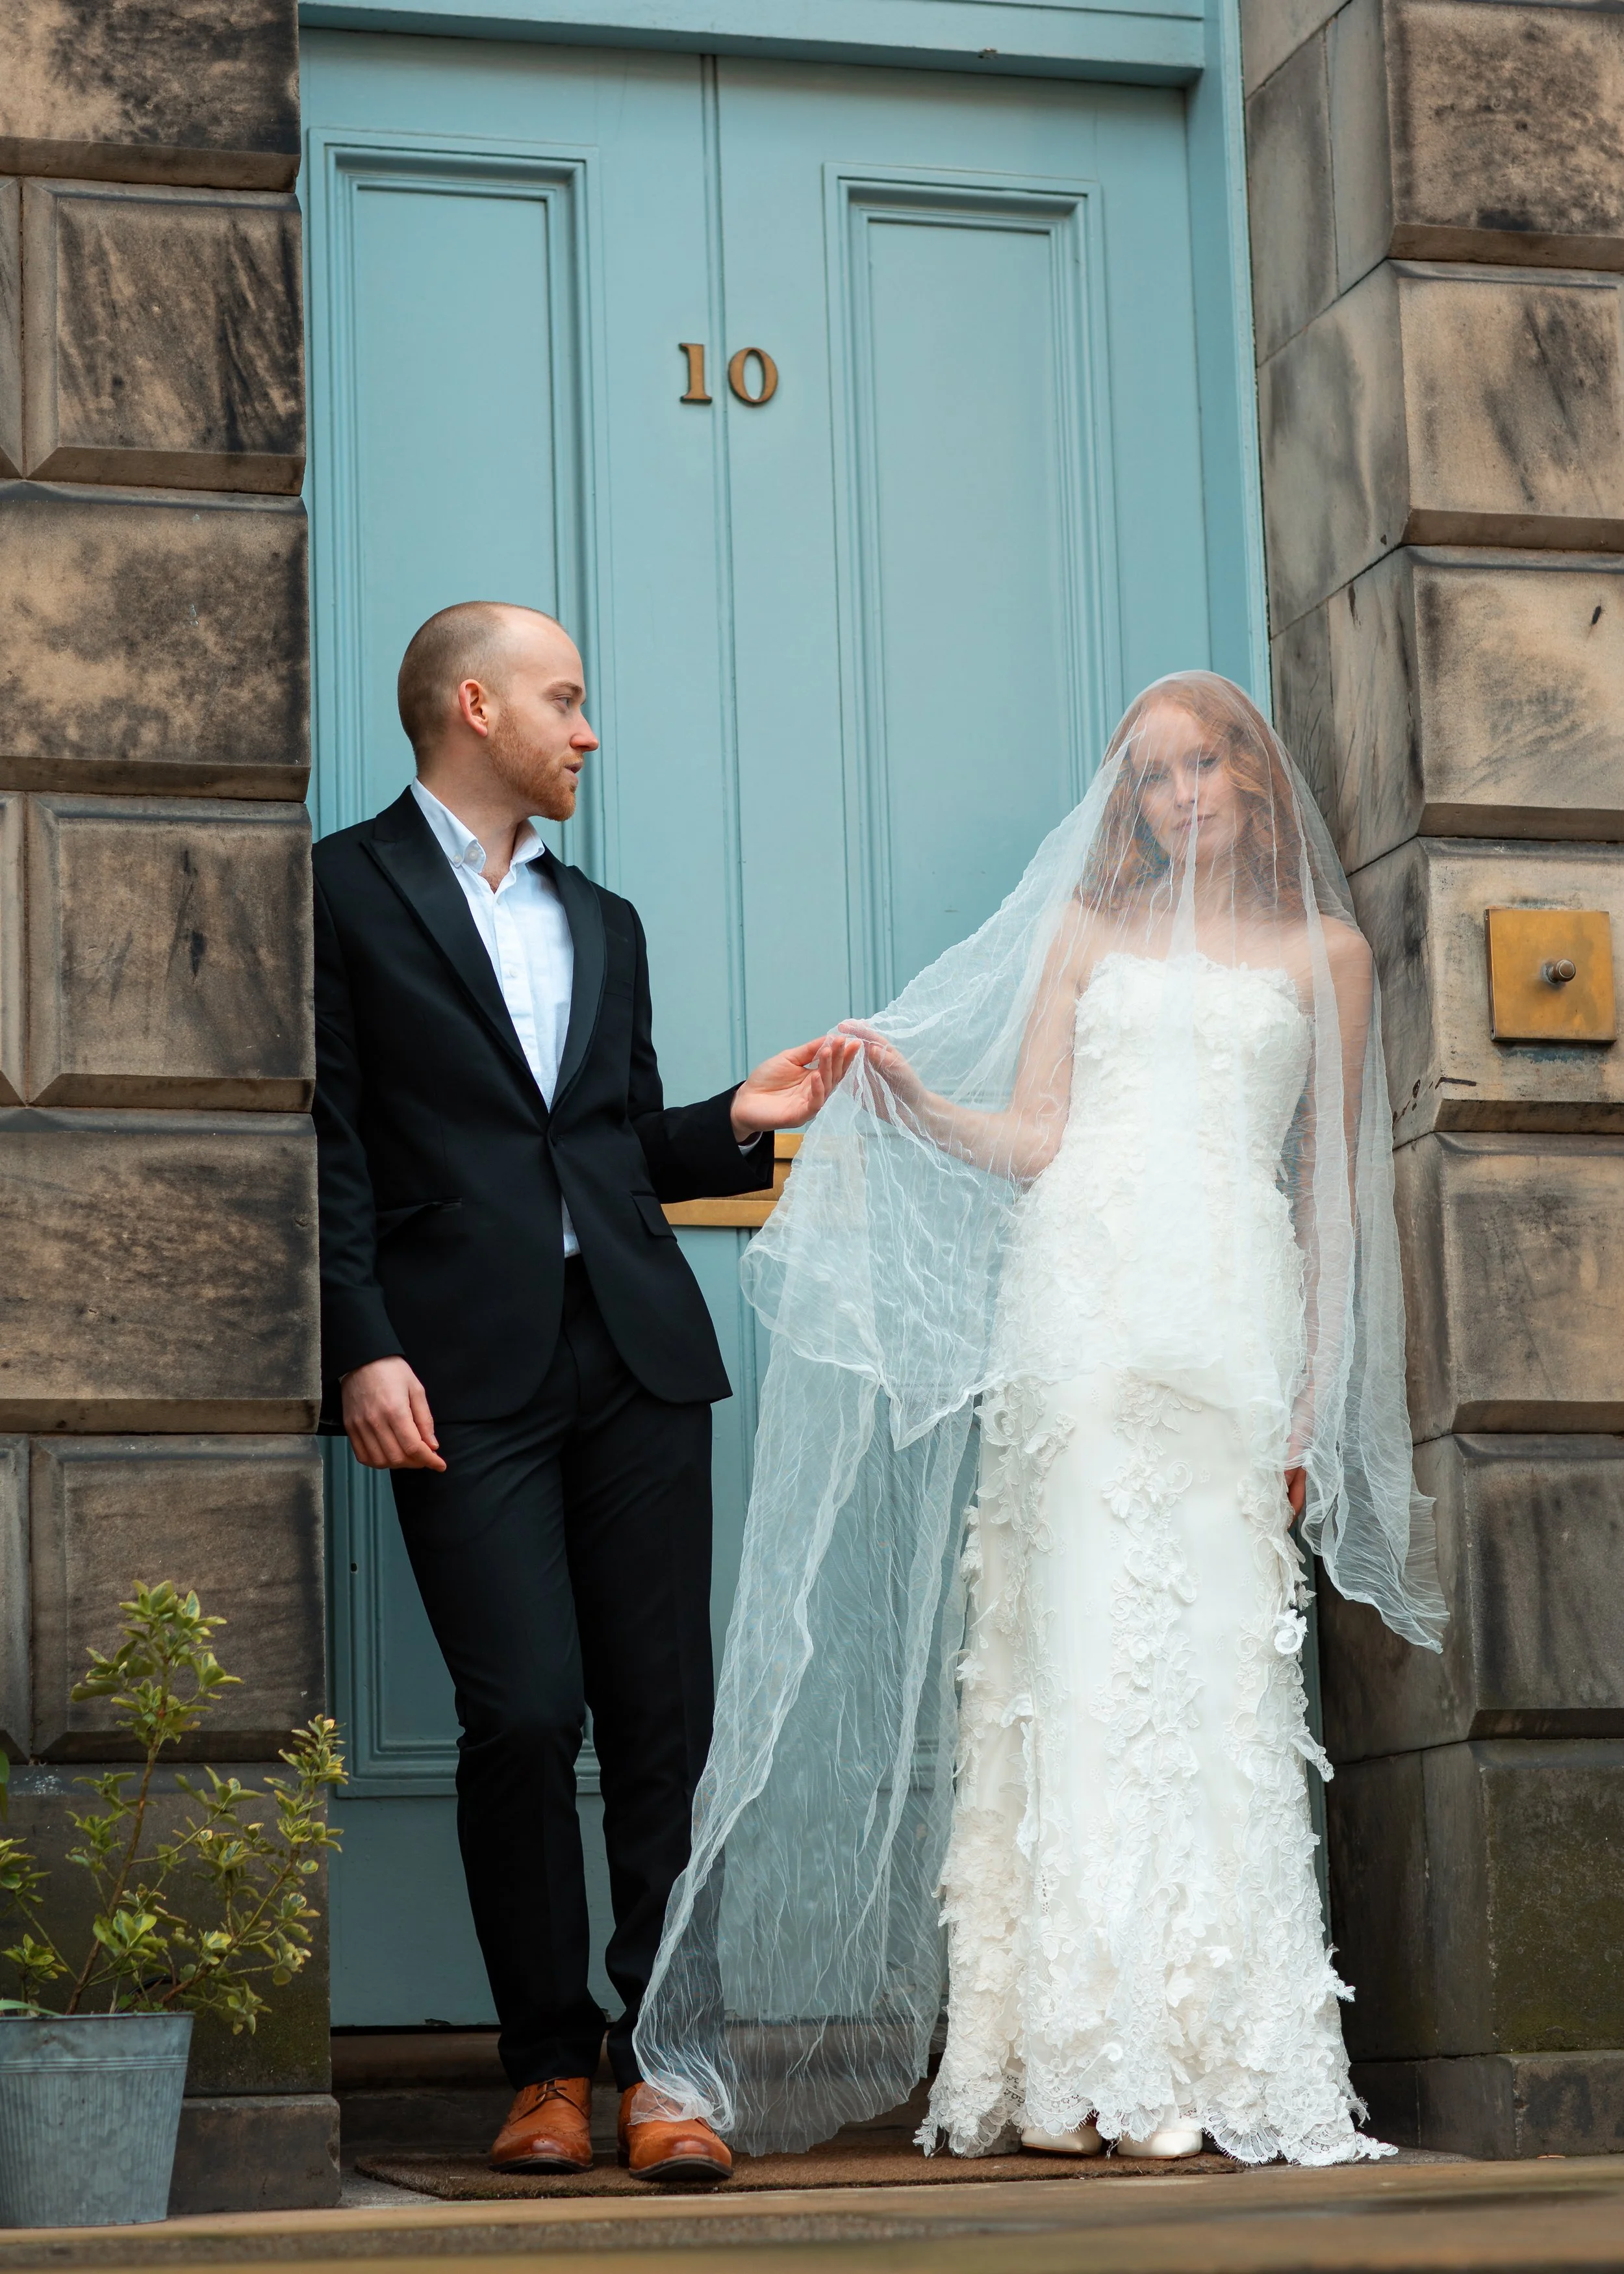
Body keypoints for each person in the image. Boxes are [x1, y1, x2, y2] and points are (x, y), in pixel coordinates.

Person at [632, 672, 1445, 2168]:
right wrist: (911, 1101)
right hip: (1075, 1311)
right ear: (1124, 801)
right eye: (1150, 776)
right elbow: (1031, 1139)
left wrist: (1314, 1401)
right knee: (1065, 1656)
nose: (1180, 792)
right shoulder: (1083, 934)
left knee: (1211, 1666)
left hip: (1228, 1320)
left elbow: (1333, 1194)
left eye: (1204, 765)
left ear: (1254, 782)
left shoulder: (1327, 952)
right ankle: (1065, 2063)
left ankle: (1201, 2042)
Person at [312, 601, 852, 2184]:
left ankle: (666, 2069)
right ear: (473, 706)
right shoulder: (341, 891)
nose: (587, 730)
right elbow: (324, 1136)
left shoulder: (601, 919)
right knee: (524, 1712)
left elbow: (603, 1144)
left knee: (661, 1723)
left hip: (632, 1357)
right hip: (450, 1369)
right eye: (566, 699)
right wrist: (358, 1339)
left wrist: (731, 1119)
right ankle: (545, 2061)